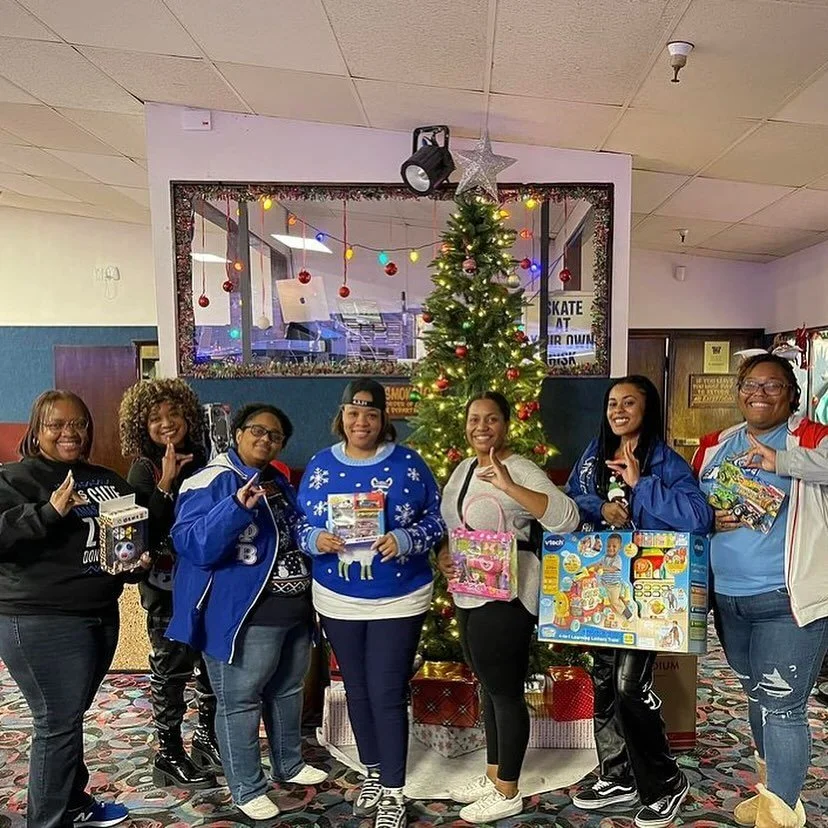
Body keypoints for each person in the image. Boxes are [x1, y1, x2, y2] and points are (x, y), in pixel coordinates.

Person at [167, 403, 326, 821]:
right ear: (237, 433)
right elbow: (192, 543)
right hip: (243, 618)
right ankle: (246, 786)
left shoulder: (278, 480)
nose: (265, 439)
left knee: (288, 691)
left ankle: (288, 763)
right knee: (239, 701)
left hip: (293, 611)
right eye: (257, 430)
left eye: (275, 435)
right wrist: (235, 507)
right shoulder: (212, 479)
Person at [565, 375, 712, 828]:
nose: (619, 409)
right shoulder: (593, 454)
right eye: (613, 402)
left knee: (630, 686)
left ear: (648, 410)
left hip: (649, 595)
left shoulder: (664, 461)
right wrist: (599, 507)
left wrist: (641, 482)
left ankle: (665, 781)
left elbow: (699, 517)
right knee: (605, 685)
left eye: (630, 402)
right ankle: (619, 775)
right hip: (599, 587)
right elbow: (571, 499)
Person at [297, 379, 444, 828]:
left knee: (385, 692)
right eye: (354, 412)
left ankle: (395, 793)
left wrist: (405, 537)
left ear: (384, 419)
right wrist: (314, 538)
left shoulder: (409, 465)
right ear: (341, 416)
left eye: (371, 414)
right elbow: (296, 523)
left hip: (398, 598)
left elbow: (437, 521)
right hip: (338, 598)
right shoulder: (321, 465)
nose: (362, 421)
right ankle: (375, 773)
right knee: (356, 691)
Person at [0, 390, 148, 828]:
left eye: (78, 423)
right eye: (56, 424)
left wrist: (134, 564)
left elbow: (123, 544)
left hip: (100, 613)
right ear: (37, 429)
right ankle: (48, 819)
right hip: (40, 618)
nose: (69, 432)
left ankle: (74, 802)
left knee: (68, 715)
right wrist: (48, 512)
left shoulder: (106, 479)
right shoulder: (14, 479)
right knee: (57, 720)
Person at [693, 353, 828, 828]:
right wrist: (706, 517)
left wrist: (782, 459)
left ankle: (782, 814)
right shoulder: (715, 447)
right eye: (751, 384)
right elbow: (692, 505)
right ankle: (775, 793)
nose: (760, 394)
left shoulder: (811, 438)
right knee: (755, 696)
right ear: (739, 391)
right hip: (728, 600)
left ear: (792, 394)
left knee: (783, 705)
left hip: (787, 601)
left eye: (773, 386)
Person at [435, 391, 580, 824]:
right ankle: (495, 775)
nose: (482, 426)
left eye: (492, 419)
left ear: (506, 425)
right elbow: (457, 525)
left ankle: (509, 790)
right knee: (488, 687)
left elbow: (567, 518)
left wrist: (509, 486)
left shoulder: (519, 468)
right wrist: (446, 552)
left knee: (505, 692)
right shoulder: (463, 468)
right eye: (474, 418)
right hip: (468, 591)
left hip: (508, 595)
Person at [119, 378, 218, 789]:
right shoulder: (143, 466)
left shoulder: (208, 455)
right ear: (142, 424)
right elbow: (141, 531)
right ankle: (169, 752)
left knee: (211, 664)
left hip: (211, 578)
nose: (166, 423)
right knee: (171, 667)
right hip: (166, 585)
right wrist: (164, 482)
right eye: (155, 417)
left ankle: (207, 740)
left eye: (173, 413)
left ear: (188, 414)